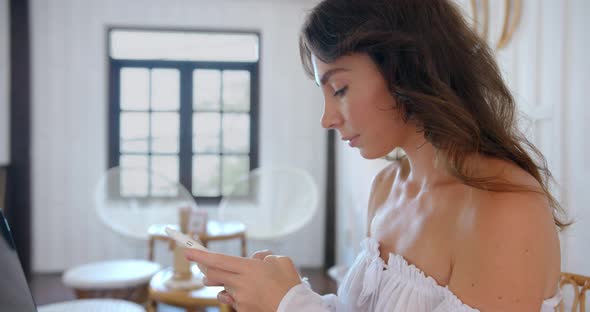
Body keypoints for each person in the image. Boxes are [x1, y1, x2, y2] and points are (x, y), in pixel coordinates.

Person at [185, 0, 570, 311]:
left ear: (407, 68)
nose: (327, 118)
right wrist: (273, 294)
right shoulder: (388, 188)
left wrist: (290, 304)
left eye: (339, 88)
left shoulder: (504, 210)